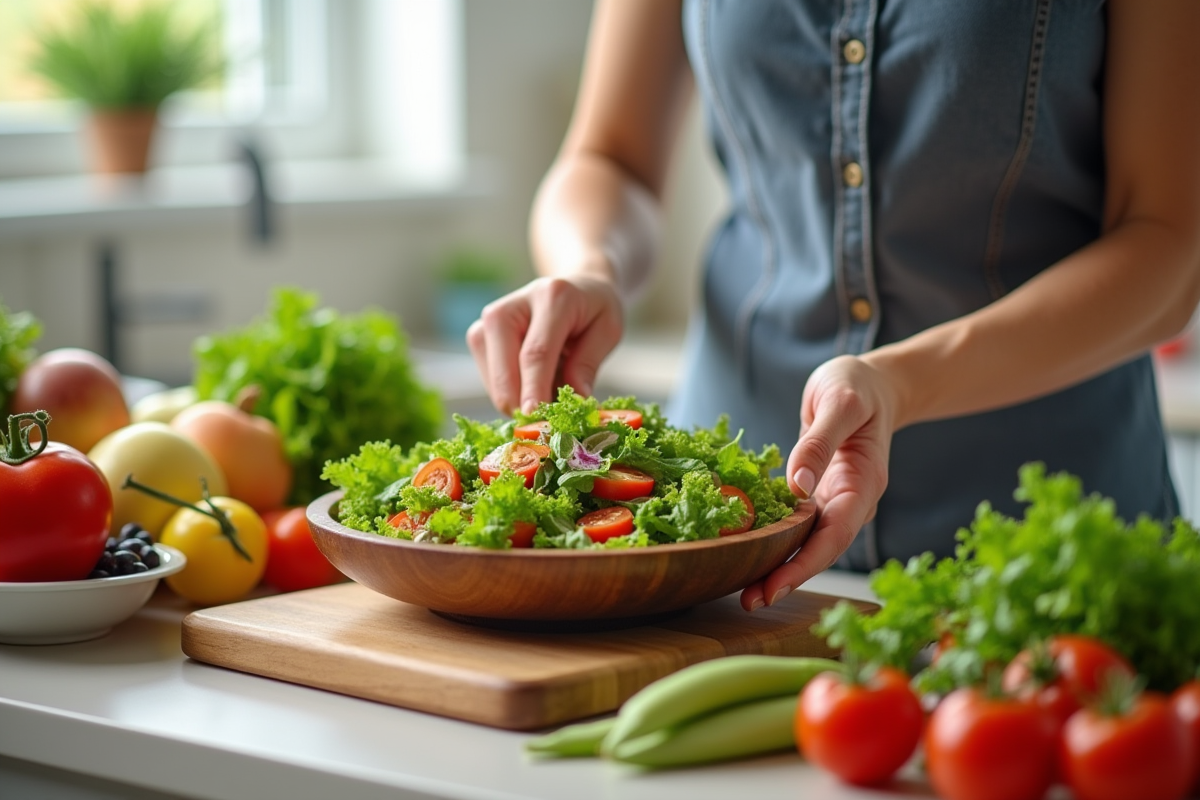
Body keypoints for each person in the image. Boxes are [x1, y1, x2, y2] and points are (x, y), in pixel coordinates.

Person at [466, 0, 1200, 612]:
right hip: (731, 544)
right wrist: (592, 266)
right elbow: (610, 157)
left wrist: (903, 381)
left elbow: (1170, 247)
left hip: (1047, 542)